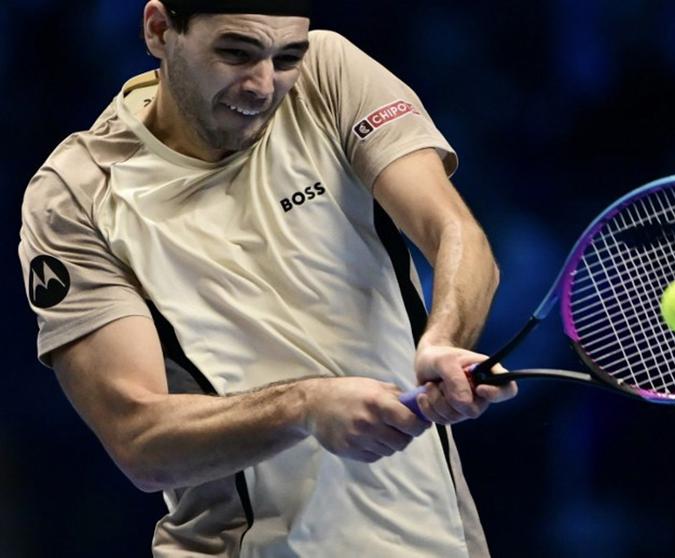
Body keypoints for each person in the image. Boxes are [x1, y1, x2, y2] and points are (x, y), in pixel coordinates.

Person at [18, 0, 516, 556]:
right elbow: (140, 441)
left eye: (286, 58)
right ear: (160, 31)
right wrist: (303, 407)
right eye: (236, 52)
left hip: (439, 539)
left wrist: (443, 341)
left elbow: (456, 235)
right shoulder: (76, 193)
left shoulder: (329, 73)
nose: (262, 86)